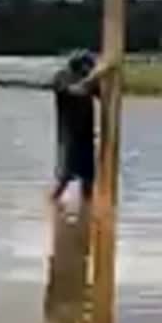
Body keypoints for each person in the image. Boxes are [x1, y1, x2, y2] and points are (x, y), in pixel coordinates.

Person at [50, 49, 113, 207]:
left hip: (86, 137)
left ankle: (87, 215)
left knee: (88, 180)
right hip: (69, 137)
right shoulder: (62, 77)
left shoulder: (87, 80)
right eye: (87, 68)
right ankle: (52, 208)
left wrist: (107, 81)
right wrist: (96, 75)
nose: (88, 72)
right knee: (65, 178)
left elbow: (103, 96)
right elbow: (77, 90)